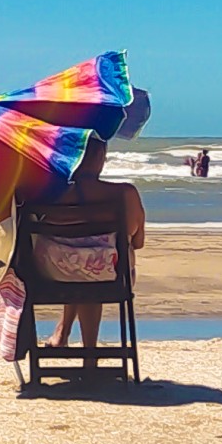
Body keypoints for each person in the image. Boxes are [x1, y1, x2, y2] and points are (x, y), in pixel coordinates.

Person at [43, 138, 145, 361]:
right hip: (111, 277)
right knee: (93, 265)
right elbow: (138, 242)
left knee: (76, 262)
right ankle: (90, 353)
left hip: (53, 276)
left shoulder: (50, 196)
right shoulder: (125, 194)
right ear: (100, 158)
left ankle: (62, 334)